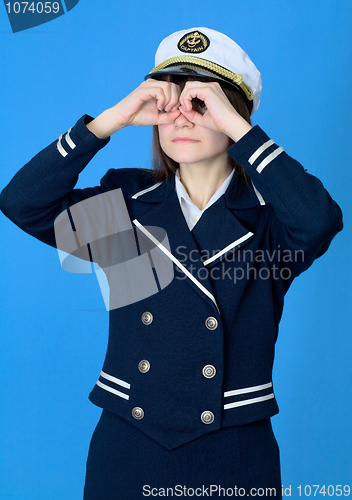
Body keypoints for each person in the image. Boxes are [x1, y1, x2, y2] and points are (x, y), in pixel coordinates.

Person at [0, 27, 343, 499]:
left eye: (202, 104)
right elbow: (24, 204)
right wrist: (110, 121)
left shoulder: (270, 222)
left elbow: (320, 221)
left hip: (235, 452)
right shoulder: (127, 206)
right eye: (170, 103)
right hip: (127, 446)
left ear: (232, 116)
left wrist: (242, 129)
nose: (182, 116)